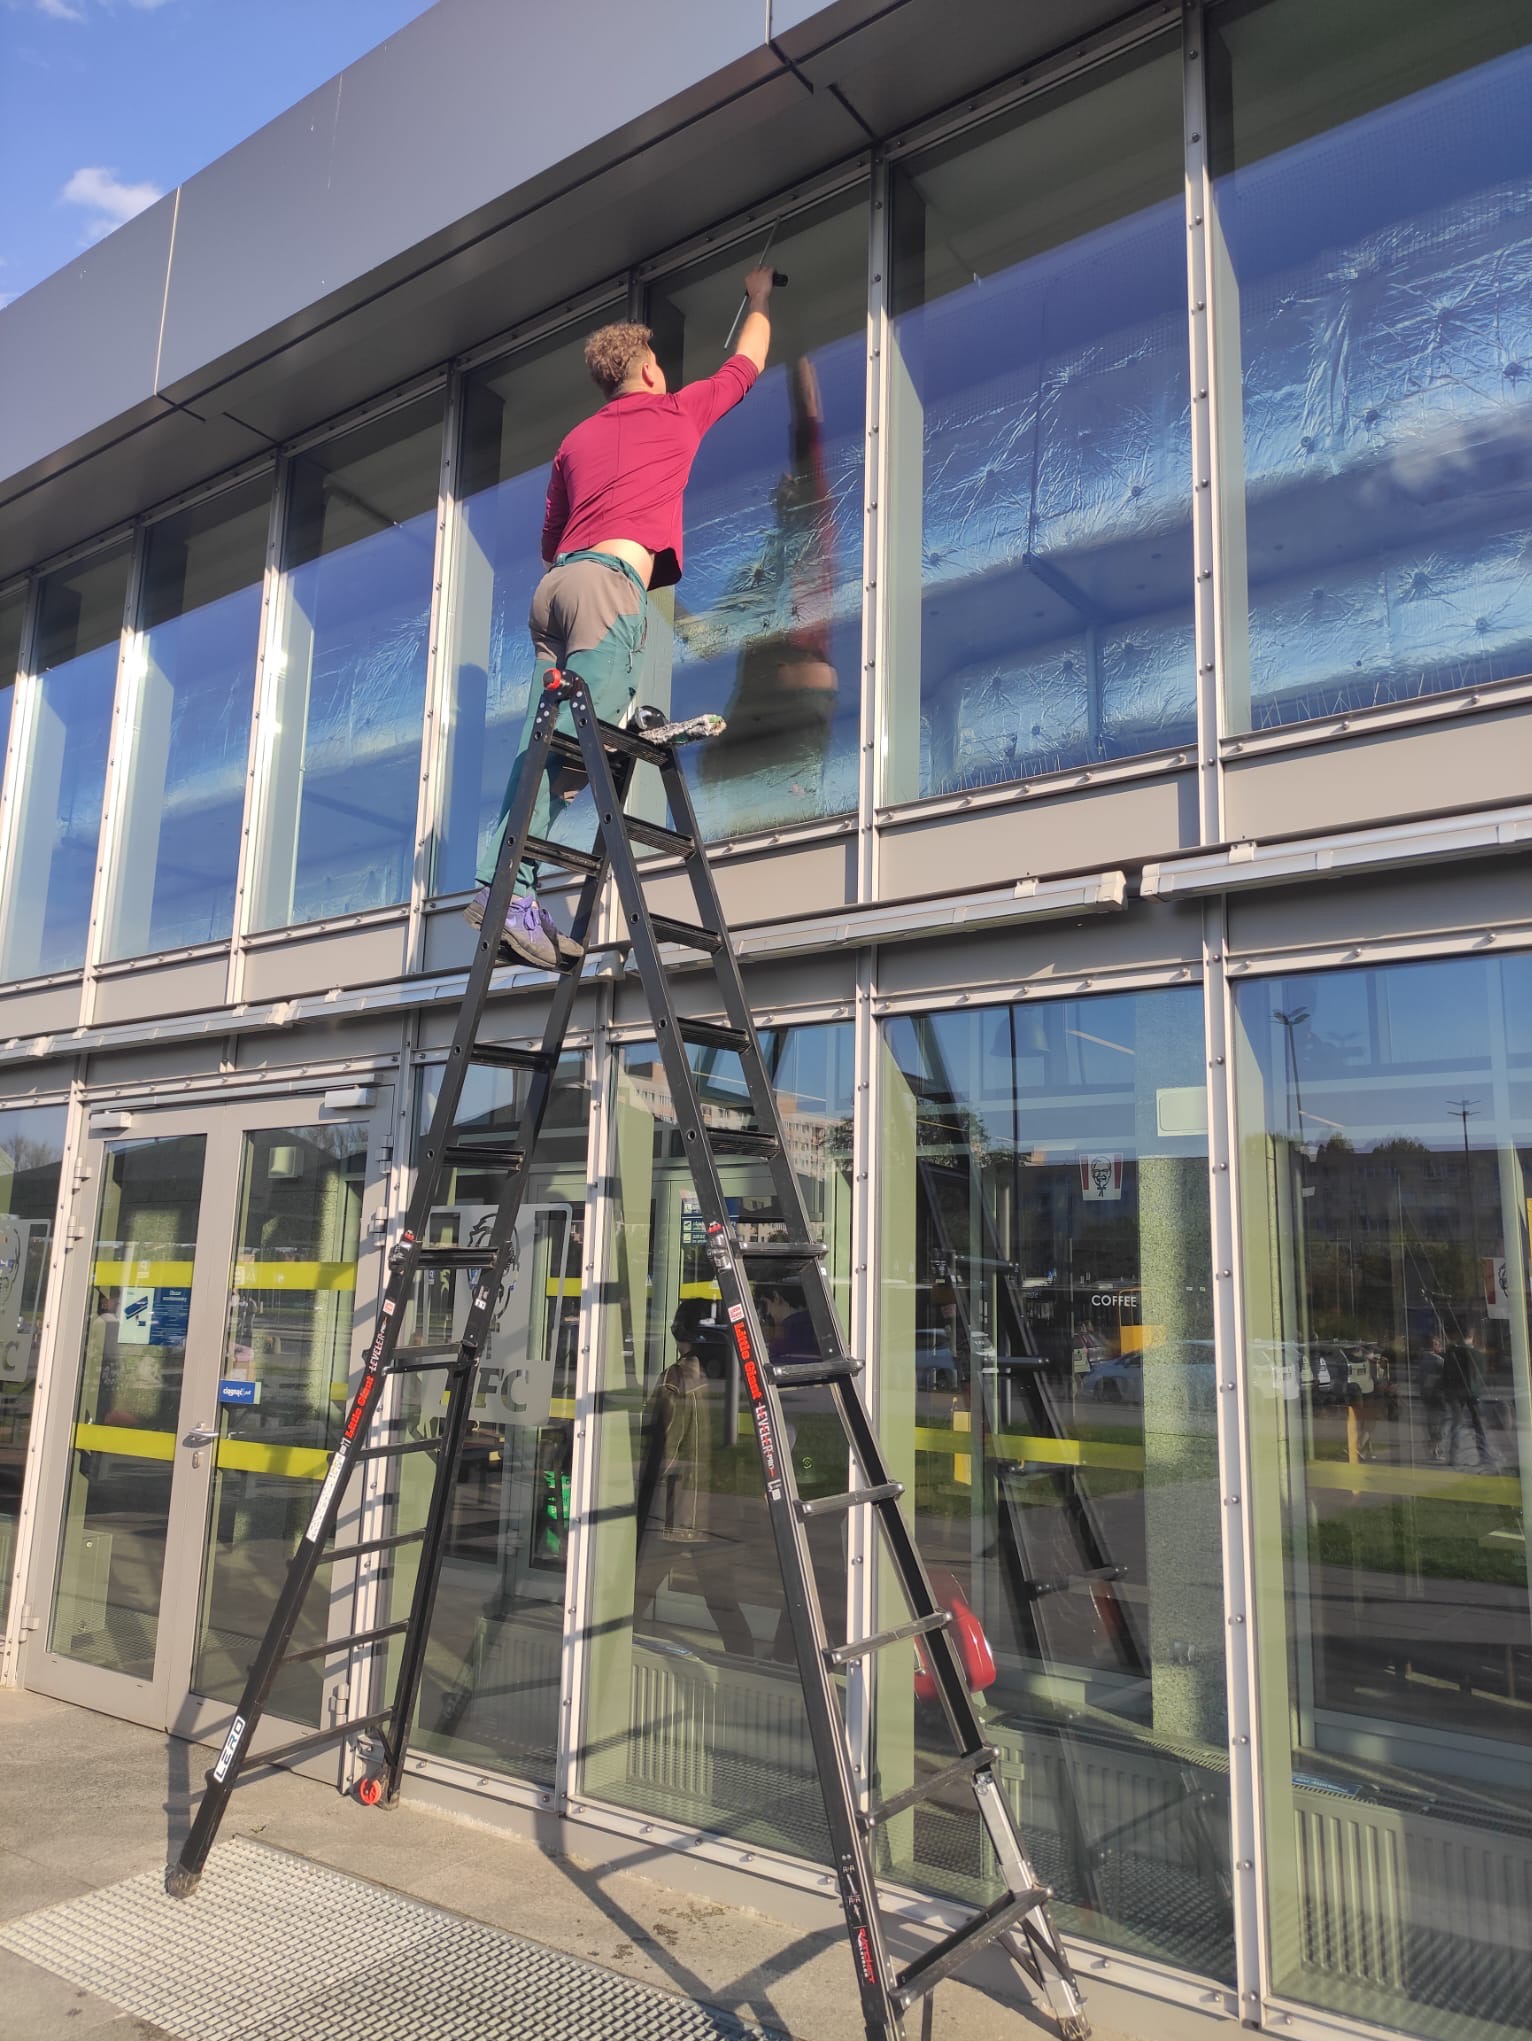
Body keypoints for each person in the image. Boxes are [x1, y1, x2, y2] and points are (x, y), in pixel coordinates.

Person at [467, 268, 779, 970]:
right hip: (609, 593)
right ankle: (507, 892)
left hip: (554, 593)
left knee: (539, 748)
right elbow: (747, 361)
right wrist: (759, 297)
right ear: (648, 369)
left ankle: (504, 883)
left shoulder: (573, 441)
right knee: (578, 754)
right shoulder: (676, 412)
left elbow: (550, 541)